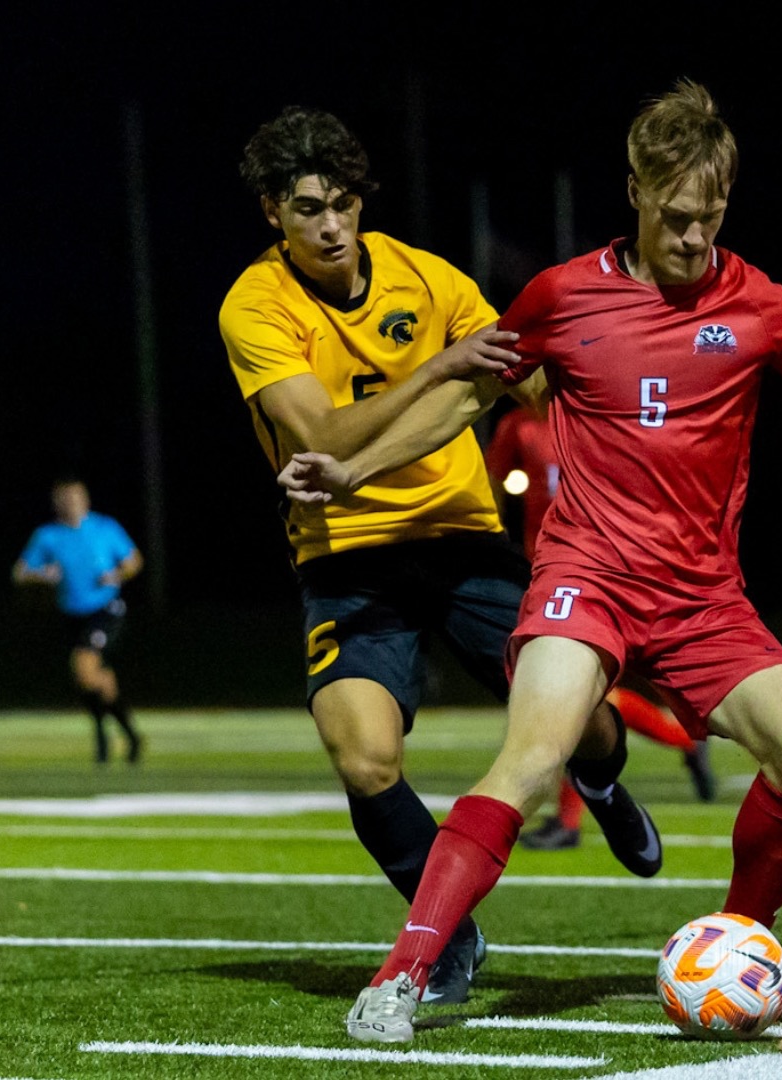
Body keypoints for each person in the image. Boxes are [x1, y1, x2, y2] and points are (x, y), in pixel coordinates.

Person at [276, 79, 782, 1043]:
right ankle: (404, 976)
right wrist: (352, 468)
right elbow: (463, 405)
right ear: (633, 190)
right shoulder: (559, 296)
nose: (695, 238)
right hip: (586, 576)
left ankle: (746, 944)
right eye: (676, 217)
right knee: (532, 757)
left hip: (703, 598)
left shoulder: (760, 305)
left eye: (711, 218)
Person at [216, 106, 656, 1005]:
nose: (332, 226)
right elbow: (325, 435)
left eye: (342, 204)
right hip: (345, 555)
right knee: (364, 758)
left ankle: (604, 787)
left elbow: (520, 372)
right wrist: (438, 368)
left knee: (590, 722)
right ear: (273, 212)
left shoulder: (429, 276)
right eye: (308, 209)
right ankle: (445, 930)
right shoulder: (254, 304)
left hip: (463, 537)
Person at [485, 407, 718, 852]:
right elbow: (493, 485)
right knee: (580, 700)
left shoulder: (597, 407)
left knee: (574, 699)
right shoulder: (520, 424)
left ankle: (569, 821)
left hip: (601, 571)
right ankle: (683, 742)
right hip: (545, 574)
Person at [12, 478, 144, 764]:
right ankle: (128, 736)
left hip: (106, 608)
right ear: (56, 504)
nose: (71, 504)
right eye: (65, 500)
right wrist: (43, 574)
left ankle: (104, 739)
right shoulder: (48, 536)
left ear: (86, 500)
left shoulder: (104, 528)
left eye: (76, 498)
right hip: (72, 613)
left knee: (84, 668)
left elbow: (134, 561)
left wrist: (116, 575)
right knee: (96, 679)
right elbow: (20, 572)